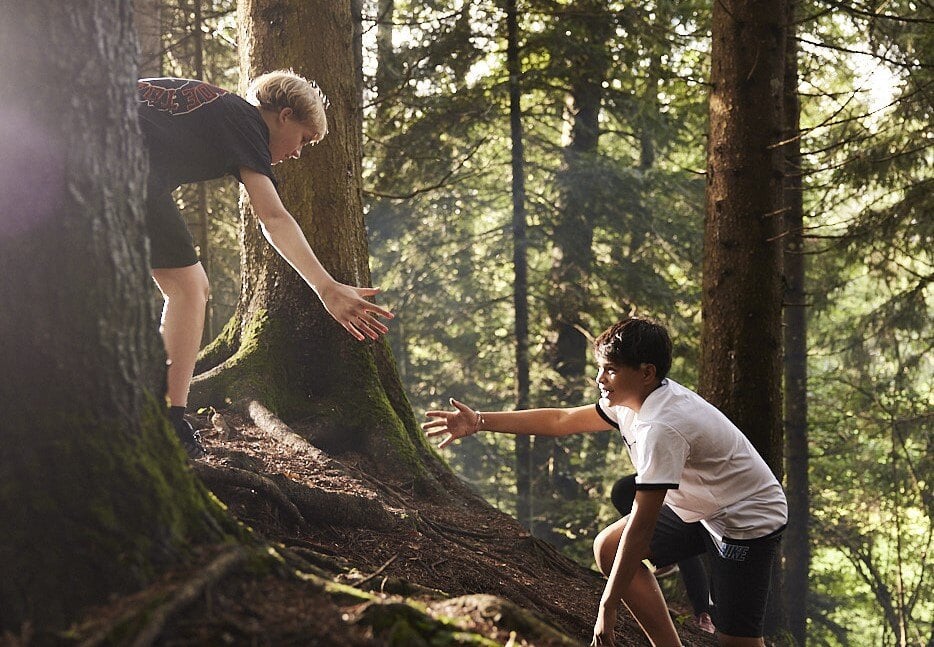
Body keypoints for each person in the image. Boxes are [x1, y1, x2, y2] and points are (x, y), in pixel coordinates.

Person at [422, 317, 786, 647]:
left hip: (746, 518)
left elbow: (642, 527)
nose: (600, 379)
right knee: (609, 547)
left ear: (646, 372)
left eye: (610, 370)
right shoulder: (631, 402)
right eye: (600, 368)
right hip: (698, 505)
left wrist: (607, 607)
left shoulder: (662, 427)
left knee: (738, 642)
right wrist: (480, 421)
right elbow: (562, 420)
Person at [138, 72, 393, 458]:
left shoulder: (221, 112)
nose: (297, 153)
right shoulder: (246, 120)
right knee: (190, 288)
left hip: (85, 158)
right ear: (284, 116)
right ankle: (165, 420)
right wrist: (326, 287)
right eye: (304, 139)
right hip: (122, 171)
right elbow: (272, 217)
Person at [611, 474, 716, 635]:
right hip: (668, 477)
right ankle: (660, 552)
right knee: (622, 491)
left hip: (692, 484)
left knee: (681, 544)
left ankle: (703, 613)